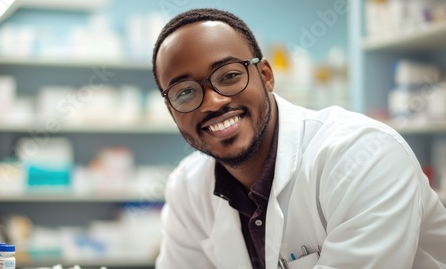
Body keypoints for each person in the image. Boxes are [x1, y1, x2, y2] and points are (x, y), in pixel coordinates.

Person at [151, 8, 446, 269]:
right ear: (171, 110)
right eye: (185, 92)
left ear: (266, 75)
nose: (212, 102)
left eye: (228, 76)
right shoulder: (187, 188)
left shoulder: (365, 155)